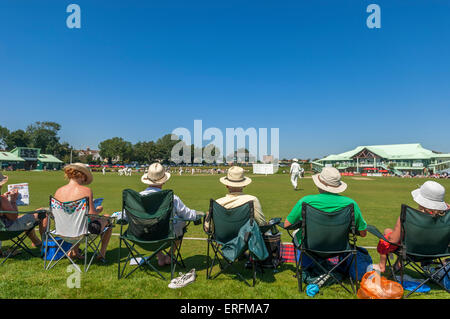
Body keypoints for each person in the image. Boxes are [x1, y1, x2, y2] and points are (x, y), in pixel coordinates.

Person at [284, 166, 367, 261]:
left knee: (297, 233)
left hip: (310, 247)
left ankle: (306, 267)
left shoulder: (306, 201)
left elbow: (287, 224)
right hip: (339, 248)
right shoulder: (351, 204)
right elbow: (363, 233)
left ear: (319, 184)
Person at [376, 181, 450, 273]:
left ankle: (382, 265)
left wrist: (386, 234)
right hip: (436, 253)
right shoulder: (446, 219)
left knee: (388, 233)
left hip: (411, 252)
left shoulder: (409, 217)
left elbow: (393, 240)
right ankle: (397, 265)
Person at [140, 163, 204, 266]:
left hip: (143, 236)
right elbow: (187, 215)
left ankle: (160, 256)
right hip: (166, 234)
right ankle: (169, 256)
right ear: (164, 181)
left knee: (150, 226)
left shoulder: (137, 198)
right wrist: (198, 214)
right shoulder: (172, 198)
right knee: (181, 222)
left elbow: (126, 216)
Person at [53, 163, 112, 262]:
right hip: (82, 233)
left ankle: (74, 251)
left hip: (62, 232)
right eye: (85, 177)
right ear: (82, 175)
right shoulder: (86, 191)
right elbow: (92, 216)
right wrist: (98, 210)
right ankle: (101, 254)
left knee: (76, 220)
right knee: (107, 218)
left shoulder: (58, 191)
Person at [204, 166, 268, 233]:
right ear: (244, 185)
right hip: (246, 240)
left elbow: (208, 228)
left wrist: (208, 215)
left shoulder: (217, 203)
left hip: (223, 240)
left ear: (226, 185)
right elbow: (262, 224)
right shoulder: (252, 200)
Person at [0, 179, 47, 254]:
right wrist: (13, 201)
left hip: (2, 229)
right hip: (7, 231)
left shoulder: (2, 198)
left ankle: (36, 242)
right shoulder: (1, 199)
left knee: (25, 218)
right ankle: (45, 246)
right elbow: (14, 217)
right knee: (42, 212)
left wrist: (4, 197)